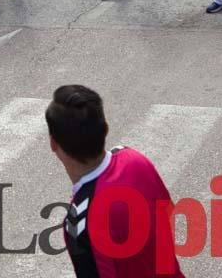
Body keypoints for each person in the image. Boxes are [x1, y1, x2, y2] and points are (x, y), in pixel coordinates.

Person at [46, 85, 184, 278]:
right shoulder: (135, 159)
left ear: (53, 144)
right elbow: (167, 214)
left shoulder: (80, 221)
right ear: (106, 128)